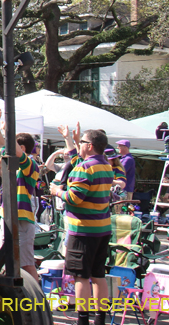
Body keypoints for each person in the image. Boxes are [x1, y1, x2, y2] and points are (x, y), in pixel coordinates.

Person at [49, 127, 113, 325]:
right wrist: (72, 140)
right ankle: (100, 319)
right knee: (98, 275)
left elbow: (75, 198)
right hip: (102, 228)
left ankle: (82, 320)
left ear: (90, 146)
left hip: (83, 229)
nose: (80, 145)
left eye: (82, 142)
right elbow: (77, 161)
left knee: (81, 277)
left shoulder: (85, 167)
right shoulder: (105, 165)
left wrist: (57, 192)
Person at [0, 122, 40, 283]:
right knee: (4, 259)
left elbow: (15, 150)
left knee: (26, 263)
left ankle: (37, 298)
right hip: (7, 217)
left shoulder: (31, 166)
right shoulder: (11, 165)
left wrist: (8, 130)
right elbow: (1, 144)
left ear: (23, 148)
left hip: (22, 219)